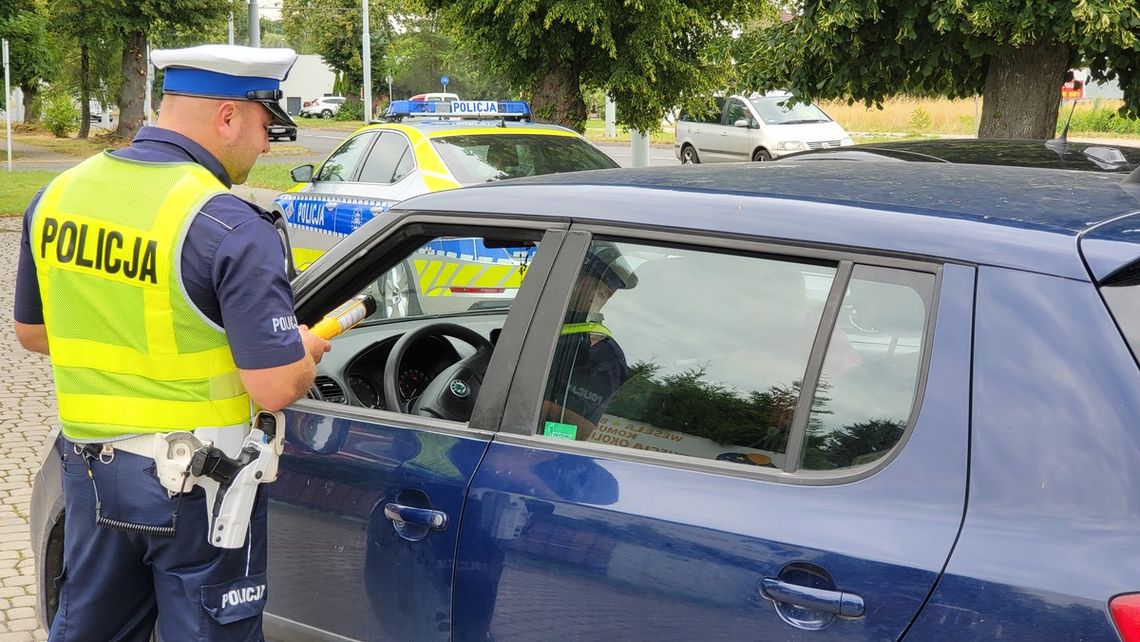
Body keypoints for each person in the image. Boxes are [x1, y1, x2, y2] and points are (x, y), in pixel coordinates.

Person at [12, 45, 330, 641]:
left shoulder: (58, 196)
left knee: (94, 629)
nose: (266, 145)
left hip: (90, 469)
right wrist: (303, 352)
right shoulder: (230, 225)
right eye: (266, 126)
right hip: (199, 490)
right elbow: (274, 384)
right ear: (228, 117)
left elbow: (32, 332)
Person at [540, 242, 638, 441]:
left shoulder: (605, 355)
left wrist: (527, 401)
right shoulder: (546, 323)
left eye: (577, 277)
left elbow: (579, 430)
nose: (567, 283)